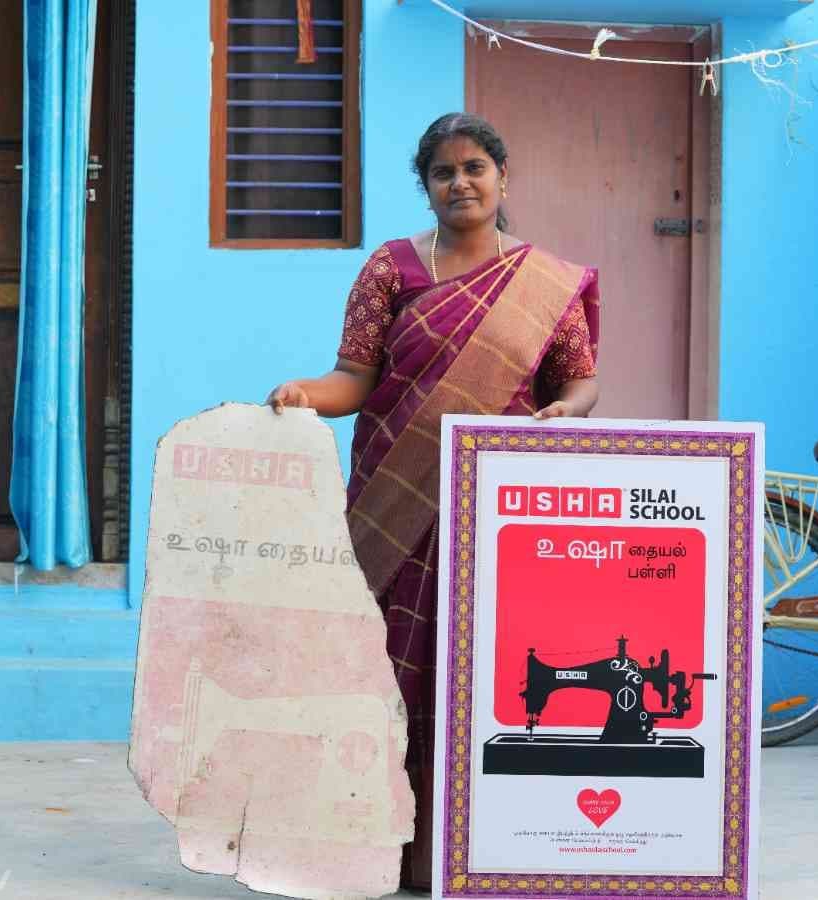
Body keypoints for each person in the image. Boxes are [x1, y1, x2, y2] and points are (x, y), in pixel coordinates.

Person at [266, 112, 600, 888]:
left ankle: (473, 849)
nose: (461, 183)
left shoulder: (543, 282)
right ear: (426, 187)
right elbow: (353, 378)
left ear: (503, 178)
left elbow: (578, 380)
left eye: (475, 167)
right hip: (396, 494)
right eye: (444, 173)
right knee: (380, 666)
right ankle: (371, 847)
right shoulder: (391, 269)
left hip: (498, 509)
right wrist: (302, 395)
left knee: (486, 664)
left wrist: (570, 409)